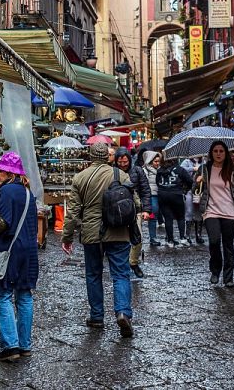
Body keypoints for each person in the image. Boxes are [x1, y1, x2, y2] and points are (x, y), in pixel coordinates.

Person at [62, 143, 135, 338]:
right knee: (120, 274)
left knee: (93, 274)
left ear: (90, 156)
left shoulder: (80, 177)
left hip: (91, 232)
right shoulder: (121, 175)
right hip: (118, 231)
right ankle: (122, 312)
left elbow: (73, 211)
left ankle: (96, 316)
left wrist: (67, 236)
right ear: (108, 157)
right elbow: (134, 203)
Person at [0, 152, 38, 362]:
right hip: (29, 249)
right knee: (25, 295)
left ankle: (10, 346)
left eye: (0, 171)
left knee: (3, 295)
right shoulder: (28, 193)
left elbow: (3, 223)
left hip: (11, 249)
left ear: (9, 172)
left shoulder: (6, 191)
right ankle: (25, 345)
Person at [195, 142, 234, 287]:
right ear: (211, 153)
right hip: (211, 211)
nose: (218, 153)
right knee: (214, 241)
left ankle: (228, 277)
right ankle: (215, 270)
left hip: (230, 212)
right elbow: (195, 191)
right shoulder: (204, 169)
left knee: (228, 245)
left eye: (221, 151)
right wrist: (198, 182)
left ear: (225, 153)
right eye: (215, 151)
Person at [115, 147, 152, 278]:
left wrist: (146, 210)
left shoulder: (138, 170)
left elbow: (146, 190)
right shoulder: (112, 172)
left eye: (125, 162)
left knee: (138, 238)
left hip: (136, 210)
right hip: (118, 211)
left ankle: (133, 262)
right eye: (120, 162)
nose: (123, 164)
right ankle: (122, 263)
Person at [156, 157, 194, 246]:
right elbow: (190, 181)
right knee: (180, 217)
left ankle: (170, 240)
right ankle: (182, 238)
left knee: (168, 218)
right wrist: (184, 189)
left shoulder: (160, 170)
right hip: (176, 194)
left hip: (162, 195)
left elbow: (157, 182)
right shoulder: (180, 169)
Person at [181, 157, 205, 244]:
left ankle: (198, 235)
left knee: (199, 212)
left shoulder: (204, 161)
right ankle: (187, 235)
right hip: (189, 189)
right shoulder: (187, 161)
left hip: (200, 191)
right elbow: (181, 170)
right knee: (189, 211)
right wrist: (193, 168)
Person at [142, 151, 163, 246]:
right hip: (151, 196)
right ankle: (152, 238)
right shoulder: (145, 170)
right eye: (155, 161)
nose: (158, 163)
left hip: (161, 195)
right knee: (152, 217)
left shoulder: (161, 170)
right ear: (150, 161)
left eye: (159, 161)